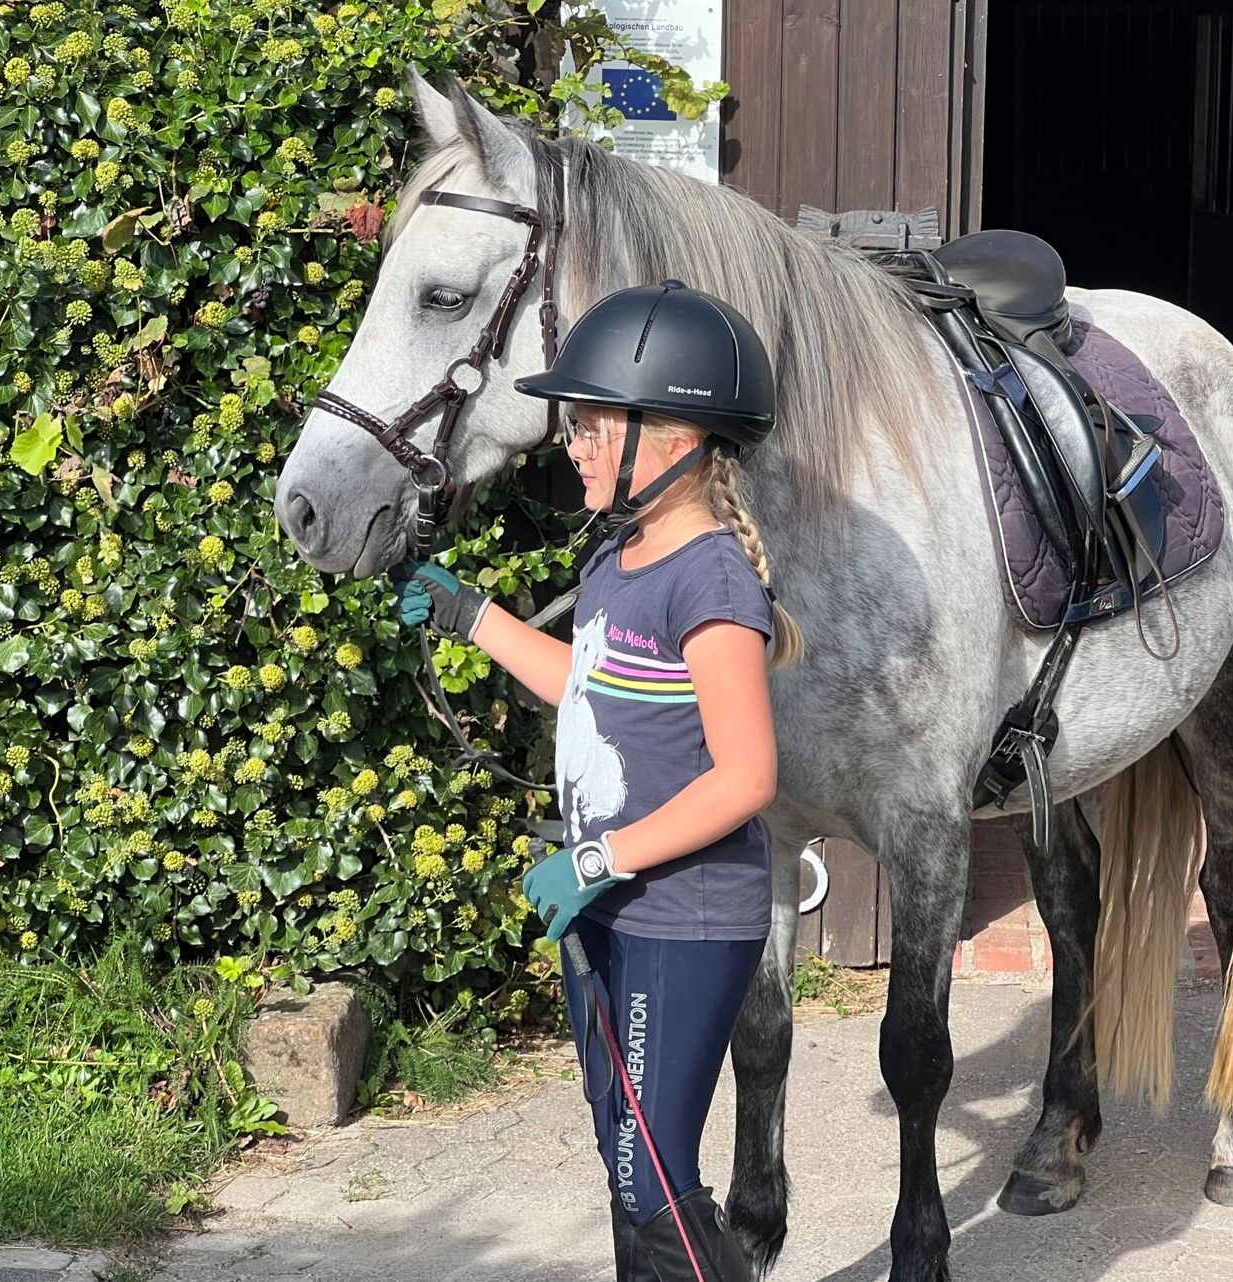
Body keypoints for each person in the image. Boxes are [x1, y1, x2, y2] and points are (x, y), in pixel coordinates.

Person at [394, 280, 802, 1282]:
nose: (572, 444)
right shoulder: (622, 551)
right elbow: (587, 682)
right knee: (627, 1162)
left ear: (674, 439)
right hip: (614, 901)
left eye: (592, 424)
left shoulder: (710, 578)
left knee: (648, 1175)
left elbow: (747, 775)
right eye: (574, 424)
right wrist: (474, 616)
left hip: (682, 915)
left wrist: (595, 856)